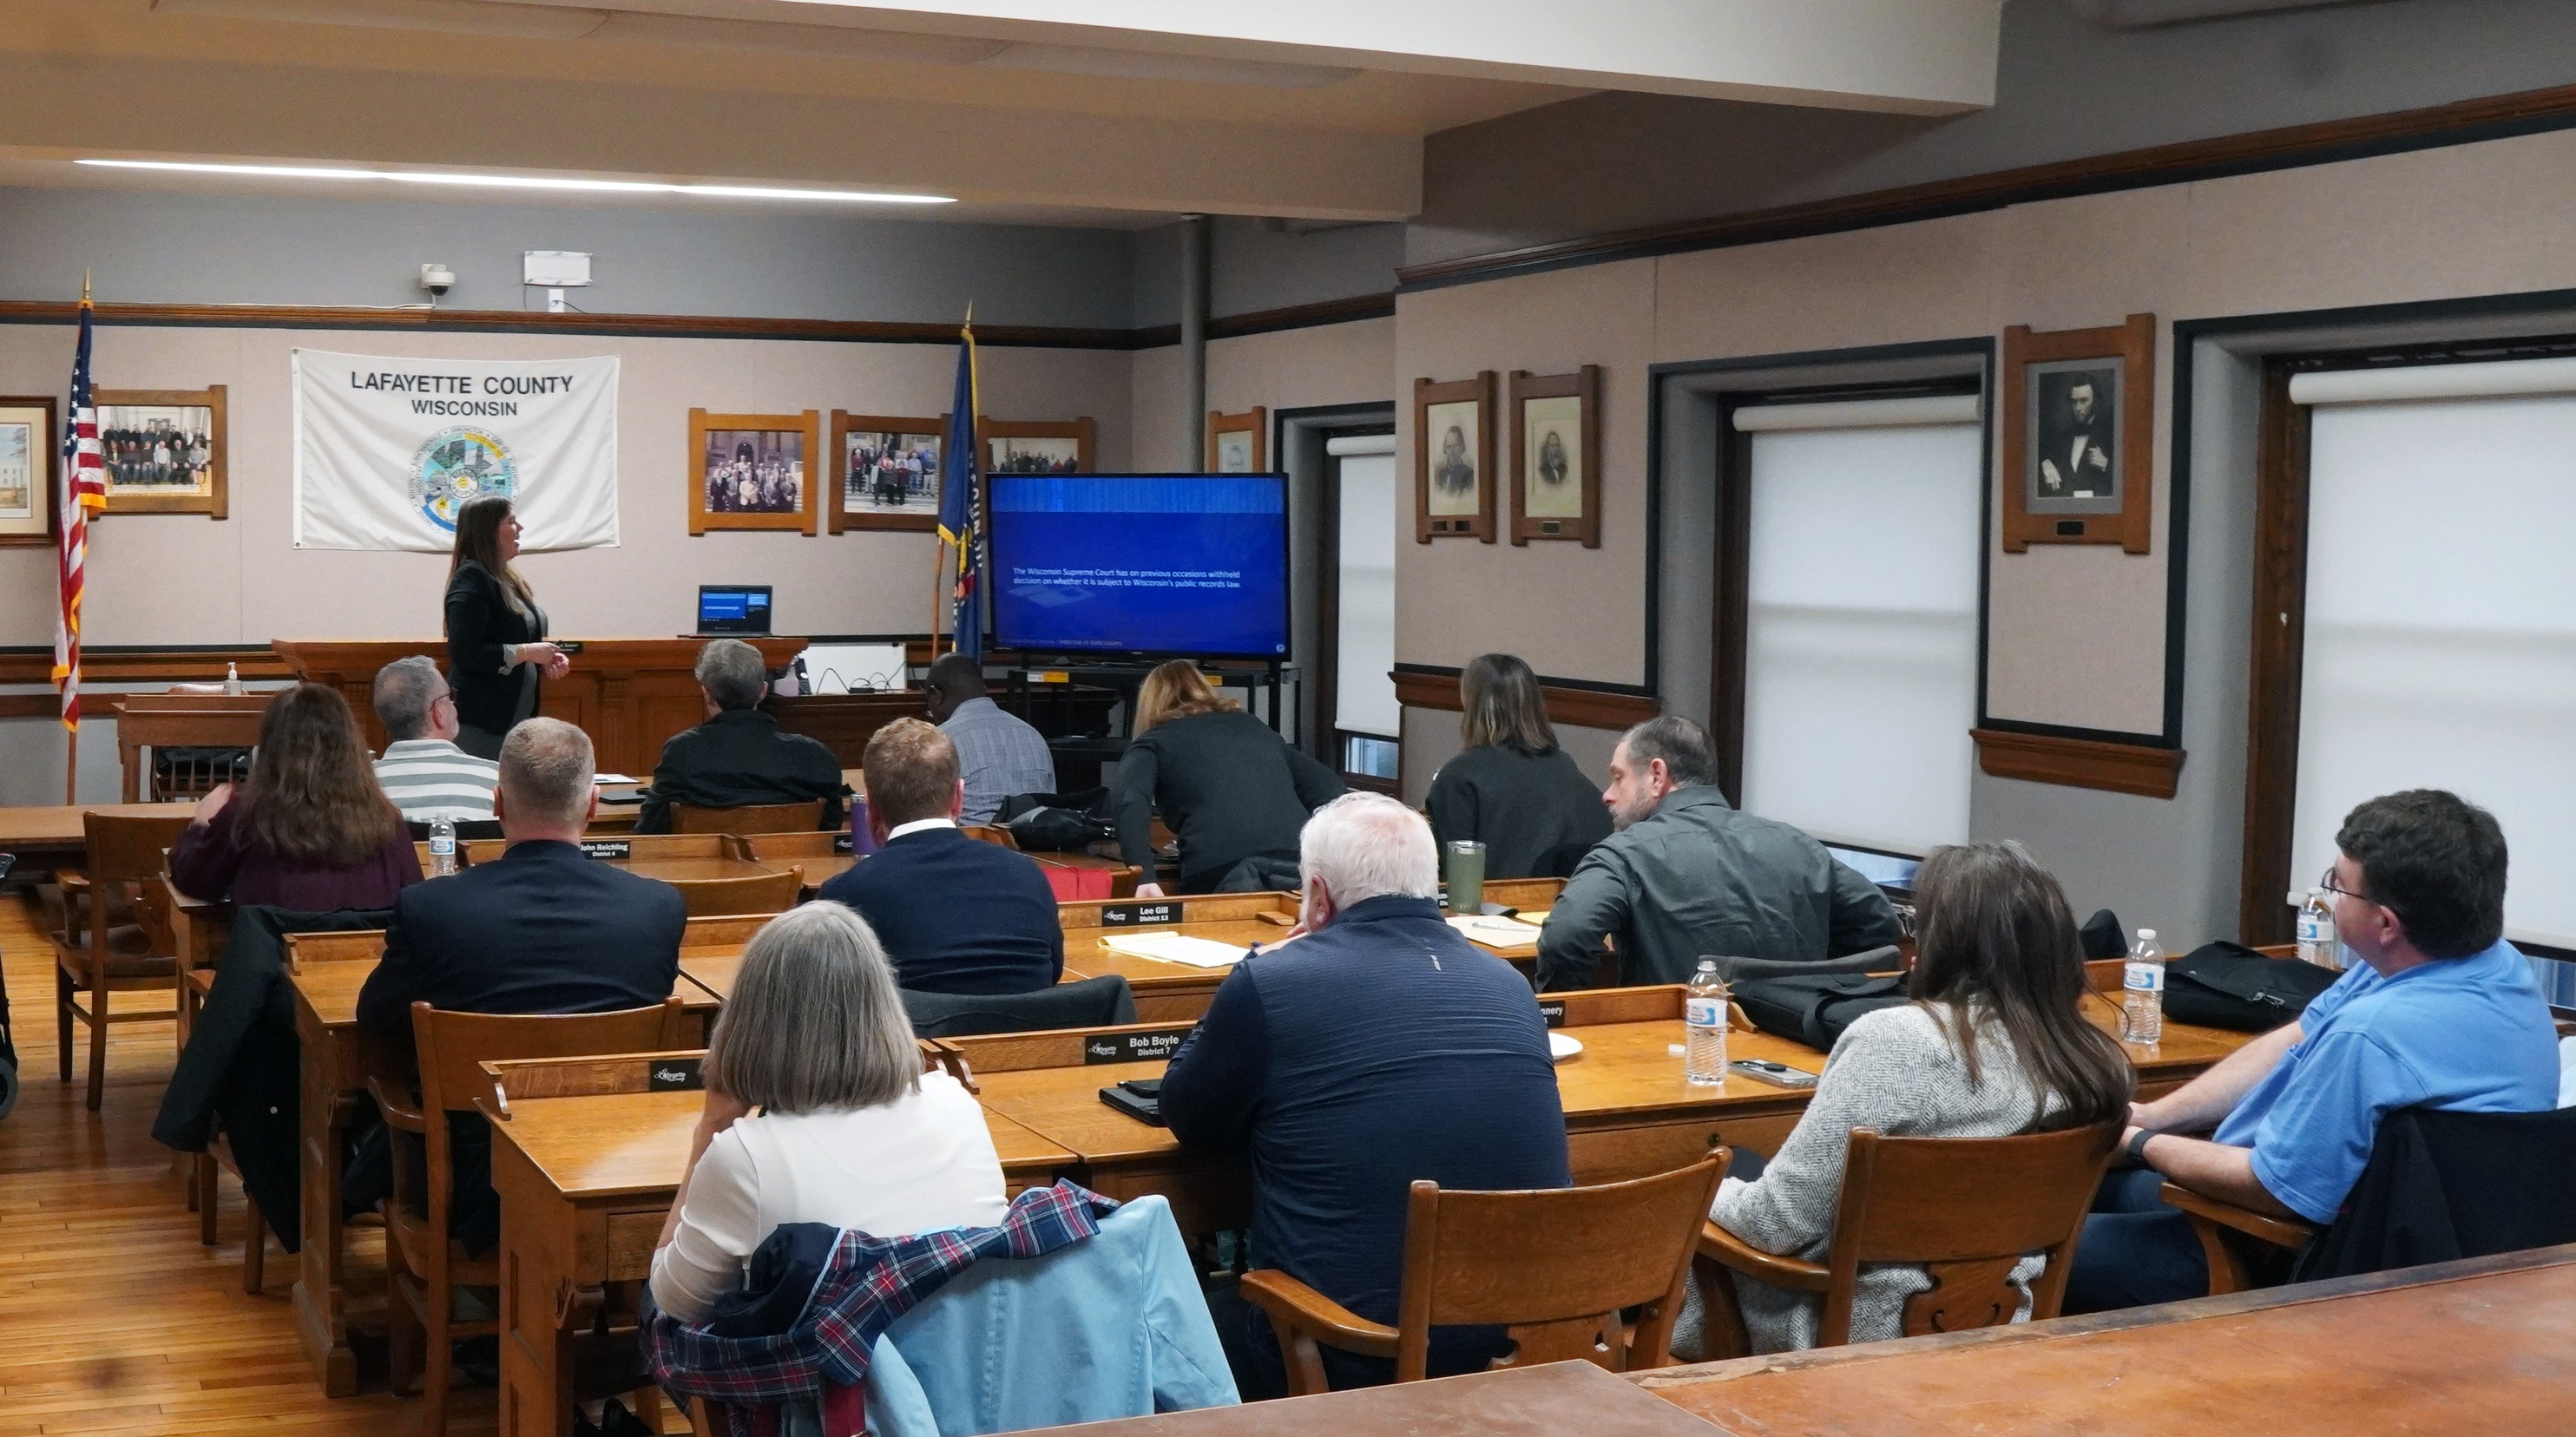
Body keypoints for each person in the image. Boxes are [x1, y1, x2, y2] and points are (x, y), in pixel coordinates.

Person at [2065, 789, 2560, 1313]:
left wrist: (2142, 1143)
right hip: (2370, 1229)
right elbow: (2300, 1035)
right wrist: (2156, 1117)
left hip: (2285, 1254)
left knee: (2025, 1251)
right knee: (2073, 1185)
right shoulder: (2495, 967)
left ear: (2385, 924)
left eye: (2338, 888)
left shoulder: (2371, 1037)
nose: (2328, 898)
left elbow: (2273, 1188)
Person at [1160, 793, 1567, 1397]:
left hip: (1348, 1360)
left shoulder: (1274, 981)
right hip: (1521, 1357)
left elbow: (1188, 1114)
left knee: (1163, 1323)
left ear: (1318, 898)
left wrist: (1254, 967)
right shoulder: (1510, 986)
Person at [1702, 842, 2134, 1353]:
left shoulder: (1900, 1042)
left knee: (1706, 1188)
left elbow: (1772, 1224)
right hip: (2003, 1324)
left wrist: (1698, 1190)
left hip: (1852, 1334)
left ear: (1942, 940)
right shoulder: (2091, 1061)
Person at [352, 719, 688, 1253]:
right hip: (609, 1161)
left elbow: (374, 1018)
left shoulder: (433, 907)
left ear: (498, 803)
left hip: (471, 1176)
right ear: (594, 805)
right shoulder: (658, 908)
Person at [648, 902, 1008, 1323]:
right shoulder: (957, 1104)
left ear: (749, 1022)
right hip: (958, 1367)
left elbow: (678, 1304)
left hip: (825, 1383)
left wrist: (712, 1128)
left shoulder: (747, 1157)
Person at [1534, 714, 1900, 990]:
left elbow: (1565, 940)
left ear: (1657, 776)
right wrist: (1807, 980)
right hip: (1793, 1049)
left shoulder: (1623, 853)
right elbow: (1879, 921)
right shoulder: (1797, 844)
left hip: (1676, 1052)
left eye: (1619, 777)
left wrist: (1580, 1018)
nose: (1607, 794)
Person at [817, 719, 1062, 995]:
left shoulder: (845, 897)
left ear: (870, 810)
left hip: (911, 1039)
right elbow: (1053, 974)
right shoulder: (1027, 875)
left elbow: (830, 998)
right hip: (1024, 1036)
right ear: (959, 797)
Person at [168, 683, 422, 910]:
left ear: (270, 747)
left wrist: (201, 825)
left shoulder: (246, 814)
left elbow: (195, 882)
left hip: (272, 959)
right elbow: (413, 896)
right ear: (350, 747)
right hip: (367, 960)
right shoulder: (385, 820)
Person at [1115, 660, 1344, 897]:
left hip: (1219, 874)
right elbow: (1330, 788)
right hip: (1295, 868)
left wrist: (1144, 875)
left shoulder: (1152, 742)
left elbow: (1128, 801)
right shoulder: (1255, 728)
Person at [1423, 653, 1609, 879]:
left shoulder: (1459, 777)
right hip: (1569, 905)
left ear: (1470, 705)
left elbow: (1455, 879)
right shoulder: (1566, 768)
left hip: (1495, 910)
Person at [637, 639, 846, 833]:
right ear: (763, 691)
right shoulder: (814, 756)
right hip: (795, 868)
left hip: (700, 872)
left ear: (706, 693)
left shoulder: (683, 753)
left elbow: (650, 829)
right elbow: (831, 831)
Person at [444, 494, 568, 760]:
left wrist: (546, 660)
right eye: (511, 521)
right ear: (488, 530)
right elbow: (465, 652)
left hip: (516, 716)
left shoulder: (507, 578)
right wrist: (527, 653)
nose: (519, 528)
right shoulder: (472, 577)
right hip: (482, 720)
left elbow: (519, 639)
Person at [923, 653, 1056, 825]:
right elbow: (1052, 813)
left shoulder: (940, 742)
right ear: (983, 687)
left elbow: (927, 822)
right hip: (1036, 850)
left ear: (936, 695)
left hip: (970, 848)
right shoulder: (1033, 735)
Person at [369, 655, 499, 825]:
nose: (453, 704)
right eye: (449, 696)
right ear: (439, 712)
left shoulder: (359, 786)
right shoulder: (495, 780)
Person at [2036, 373, 2115, 498]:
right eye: (2074, 402)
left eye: (2084, 401)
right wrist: (2045, 464)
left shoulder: (2111, 436)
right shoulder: (2062, 439)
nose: (2078, 408)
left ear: (2096, 401)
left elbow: (2130, 483)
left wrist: (2106, 464)